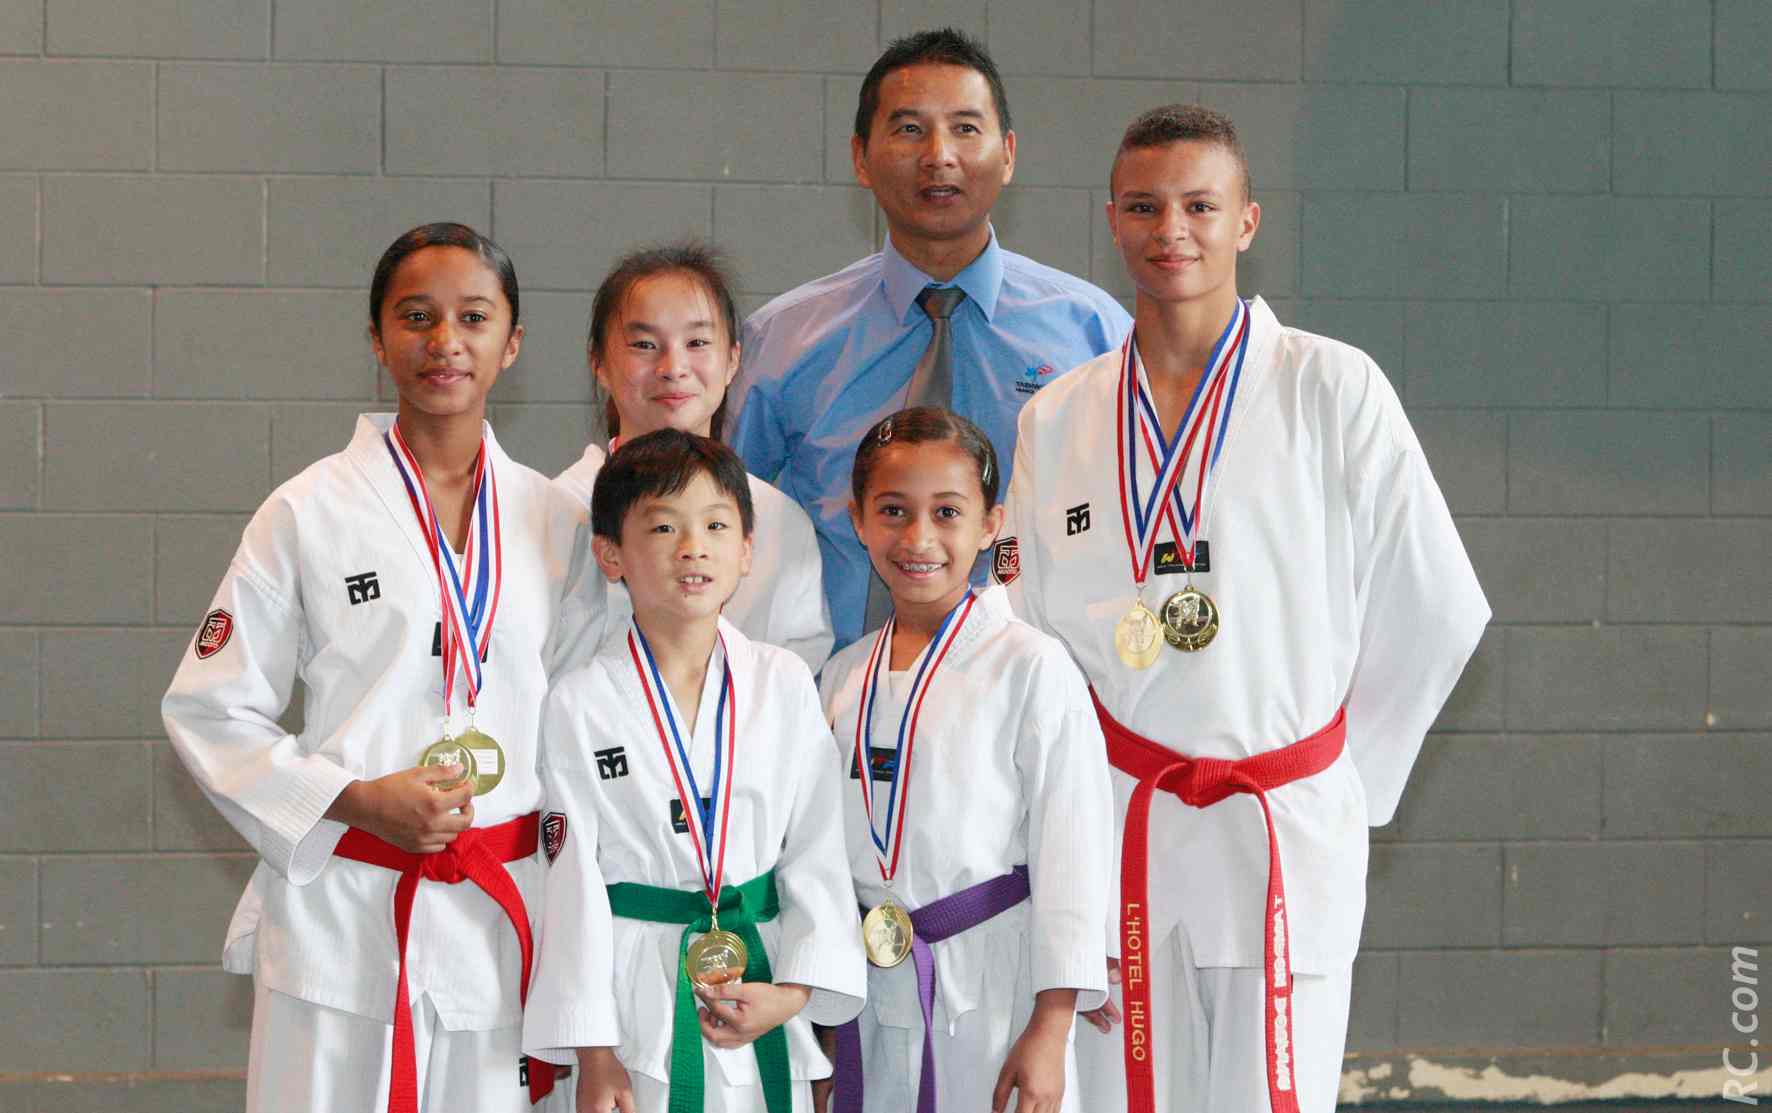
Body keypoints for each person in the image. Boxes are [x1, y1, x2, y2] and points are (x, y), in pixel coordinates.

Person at [998, 105, 1490, 1112]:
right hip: (1118, 829)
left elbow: (1436, 603)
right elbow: (1026, 643)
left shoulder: (1330, 388)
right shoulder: (1057, 416)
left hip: (1281, 821)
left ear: (1246, 222)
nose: (1169, 228)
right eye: (1143, 206)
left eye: (1197, 205)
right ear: (1111, 220)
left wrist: (1341, 780)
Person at [161, 222, 604, 1112]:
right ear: (376, 338)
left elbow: (581, 729)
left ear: (511, 342)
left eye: (473, 317)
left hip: (499, 917)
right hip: (341, 922)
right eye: (416, 317)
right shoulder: (307, 511)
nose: (445, 342)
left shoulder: (557, 523)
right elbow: (208, 708)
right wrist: (352, 799)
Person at [727, 26, 1130, 651]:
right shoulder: (783, 341)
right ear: (861, 157)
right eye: (910, 128)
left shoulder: (1094, 333)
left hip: (1033, 700)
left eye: (966, 128)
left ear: (1009, 153)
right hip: (837, 707)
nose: (939, 154)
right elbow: (726, 526)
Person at [524, 430, 866, 1113]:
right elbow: (572, 886)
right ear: (610, 554)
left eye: (715, 525)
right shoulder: (577, 702)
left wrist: (794, 992)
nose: (692, 547)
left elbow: (819, 852)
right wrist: (594, 1052)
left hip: (761, 983)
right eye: (662, 526)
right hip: (632, 1003)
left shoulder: (784, 683)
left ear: (746, 550)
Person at [818, 407, 1113, 1113]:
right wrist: (820, 1023)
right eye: (893, 510)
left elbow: (1072, 851)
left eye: (946, 512)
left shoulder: (1032, 665)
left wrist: (1050, 1022)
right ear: (858, 519)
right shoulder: (840, 677)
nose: (918, 537)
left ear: (990, 524)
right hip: (866, 984)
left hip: (994, 983)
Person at [556, 243, 834, 672]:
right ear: (599, 362)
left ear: (733, 360)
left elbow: (794, 687)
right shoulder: (555, 513)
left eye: (698, 342)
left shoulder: (779, 523)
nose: (674, 366)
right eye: (645, 344)